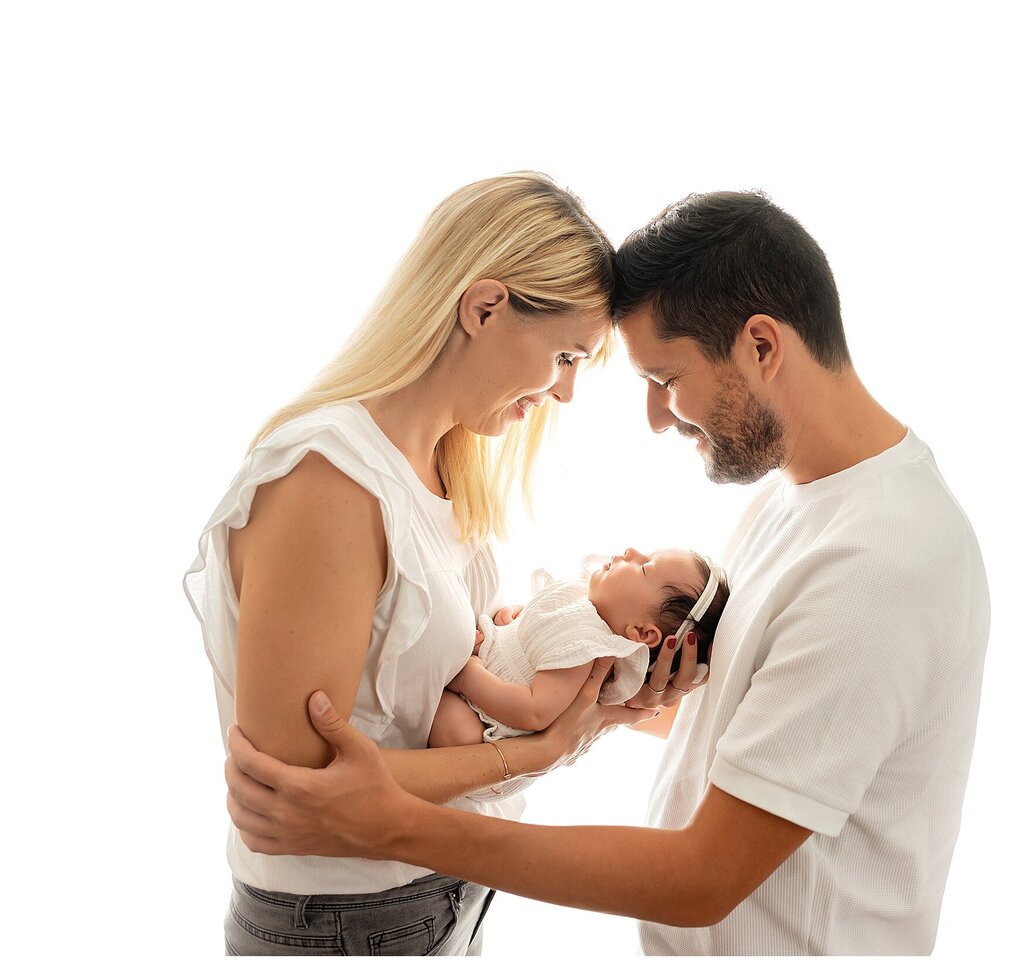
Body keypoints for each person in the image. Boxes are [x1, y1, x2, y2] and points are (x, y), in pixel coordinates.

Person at [224, 190, 990, 955]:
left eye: (666, 377)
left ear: (761, 345)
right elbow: (782, 724)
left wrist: (414, 814)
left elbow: (703, 879)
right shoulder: (795, 504)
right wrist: (599, 707)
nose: (657, 417)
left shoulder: (881, 561)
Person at [183, 172, 662, 956]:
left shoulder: (443, 467)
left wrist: (587, 691)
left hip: (436, 892)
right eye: (567, 355)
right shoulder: (329, 479)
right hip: (344, 924)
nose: (568, 392)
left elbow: (418, 700)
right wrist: (539, 750)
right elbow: (297, 791)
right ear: (483, 307)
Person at [430, 547, 729, 748]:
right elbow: (545, 628)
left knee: (453, 730)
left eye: (645, 568)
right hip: (489, 675)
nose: (631, 552)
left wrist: (468, 675)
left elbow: (533, 711)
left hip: (488, 719)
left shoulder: (587, 652)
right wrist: (517, 618)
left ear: (641, 631)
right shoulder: (582, 601)